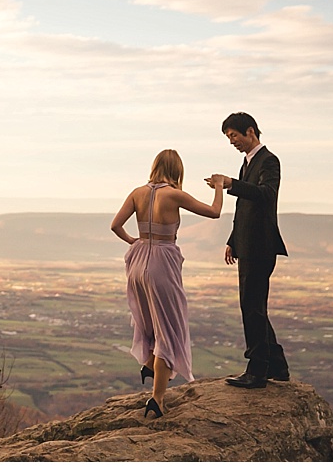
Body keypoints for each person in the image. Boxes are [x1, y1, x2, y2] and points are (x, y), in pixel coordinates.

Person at [111, 149, 224, 418]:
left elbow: (115, 225)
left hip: (137, 263)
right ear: (177, 171)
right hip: (162, 263)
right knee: (168, 329)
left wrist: (135, 242)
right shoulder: (174, 194)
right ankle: (157, 400)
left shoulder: (137, 192)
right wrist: (219, 186)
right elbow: (215, 212)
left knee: (149, 322)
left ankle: (150, 364)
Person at [206, 112, 289, 389]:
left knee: (252, 307)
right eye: (229, 137)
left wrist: (231, 183)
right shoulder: (247, 163)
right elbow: (245, 208)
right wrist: (233, 239)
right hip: (248, 244)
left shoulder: (269, 161)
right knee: (254, 307)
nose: (232, 142)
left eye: (234, 136)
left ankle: (257, 372)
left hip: (261, 246)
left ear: (250, 131)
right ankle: (276, 365)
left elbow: (266, 194)